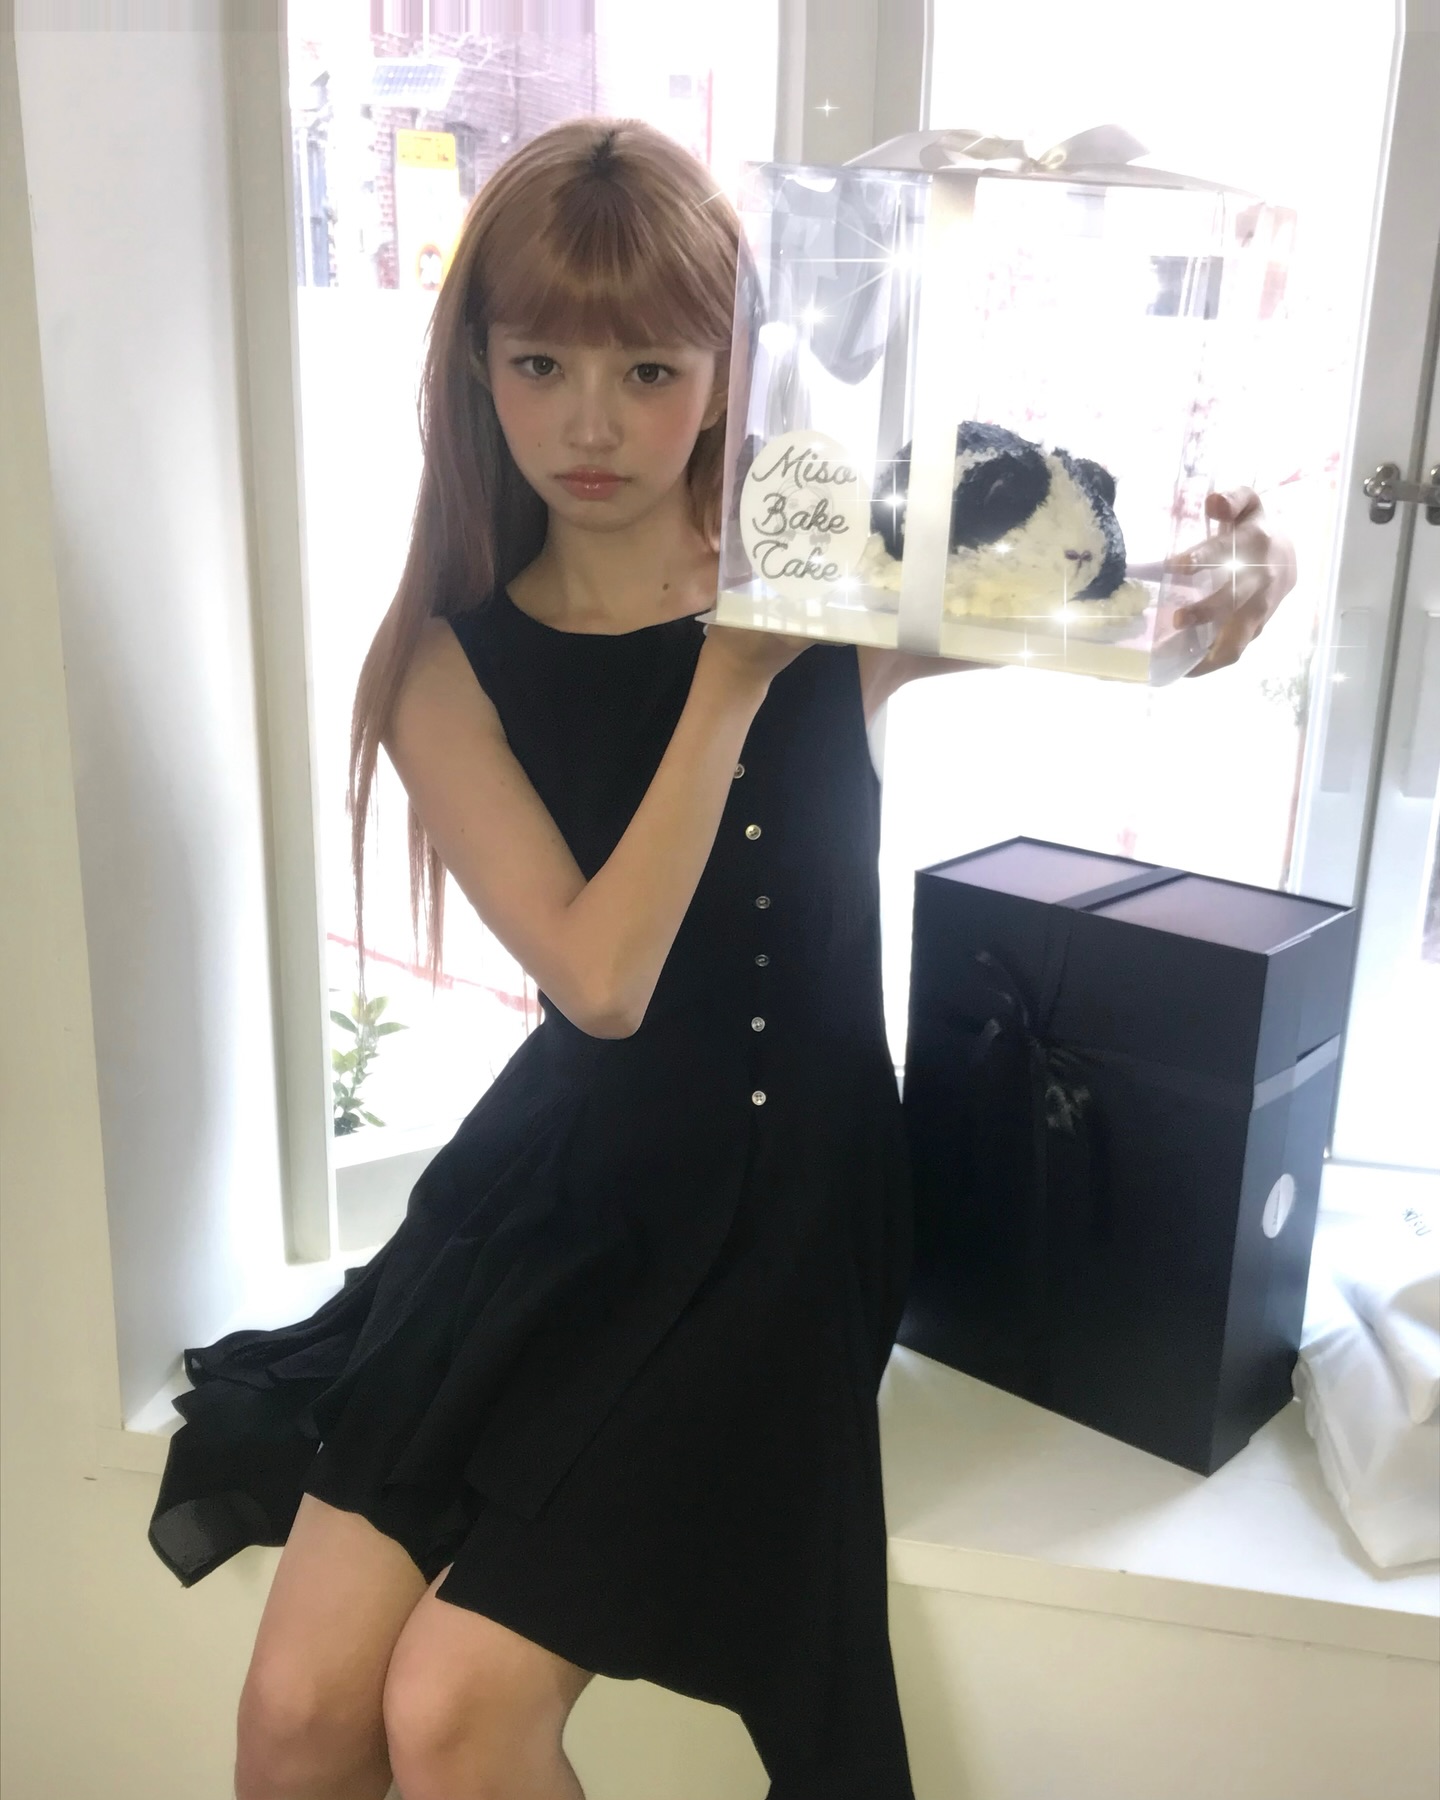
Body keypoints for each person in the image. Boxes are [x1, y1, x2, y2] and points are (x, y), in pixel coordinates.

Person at [146, 118, 1297, 1800]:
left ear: (724, 370)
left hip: (788, 1208)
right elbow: (602, 986)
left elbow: (1144, 617)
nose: (590, 423)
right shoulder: (443, 669)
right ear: (476, 369)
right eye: (539, 363)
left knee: (451, 1709)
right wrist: (730, 675)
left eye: (649, 368)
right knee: (300, 1710)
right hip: (555, 1197)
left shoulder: (837, 577)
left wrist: (1242, 574)